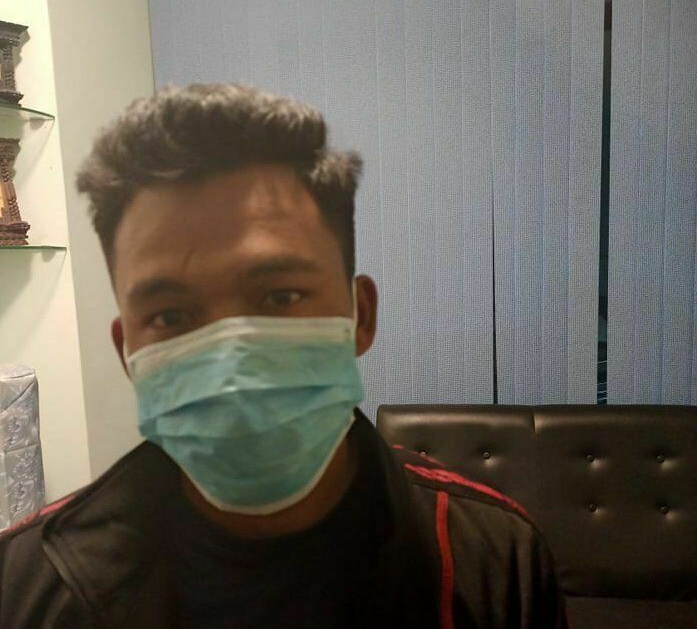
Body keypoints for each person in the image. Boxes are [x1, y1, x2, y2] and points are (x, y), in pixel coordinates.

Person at [0, 84, 568, 628]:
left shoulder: (495, 561)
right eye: (171, 316)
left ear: (360, 316)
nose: (230, 360)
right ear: (128, 352)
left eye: (280, 297)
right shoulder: (23, 586)